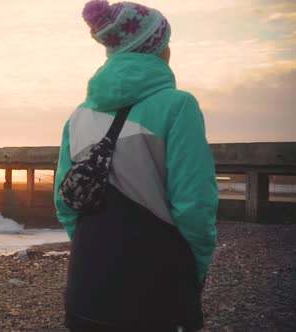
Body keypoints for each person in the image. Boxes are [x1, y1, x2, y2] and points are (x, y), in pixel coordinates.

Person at [53, 1, 219, 331]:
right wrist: (194, 270)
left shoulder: (78, 117)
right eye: (164, 41)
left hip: (86, 285)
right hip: (155, 287)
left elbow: (65, 204)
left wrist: (96, 251)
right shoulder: (178, 107)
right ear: (154, 47)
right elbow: (194, 207)